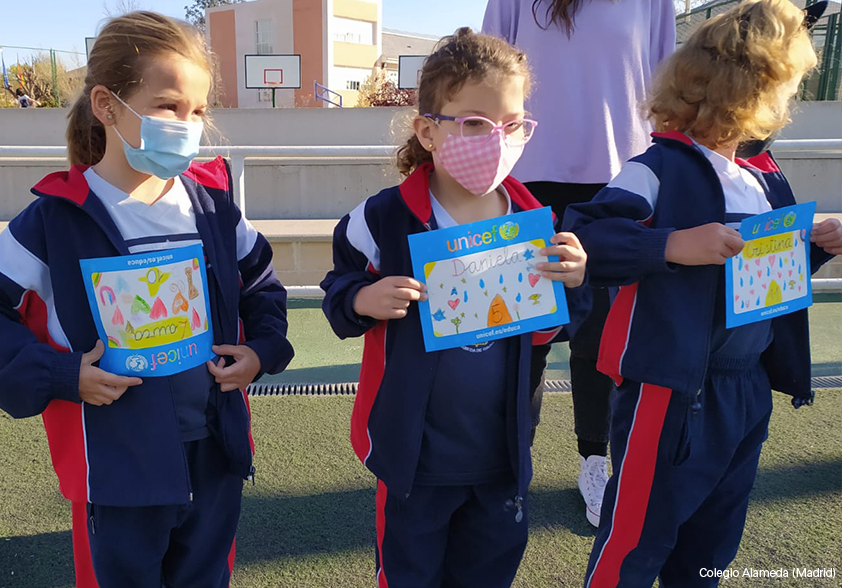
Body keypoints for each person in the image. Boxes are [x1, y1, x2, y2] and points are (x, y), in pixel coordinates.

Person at [0, 12, 293, 588]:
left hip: (213, 456)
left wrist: (262, 350)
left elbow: (262, 285)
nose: (186, 125)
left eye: (196, 111)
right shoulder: (55, 219)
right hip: (115, 470)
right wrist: (62, 374)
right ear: (107, 106)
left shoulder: (214, 209)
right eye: (167, 106)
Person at [563, 1, 841, 586]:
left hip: (746, 390)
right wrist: (670, 245)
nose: (785, 104)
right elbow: (587, 236)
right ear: (751, 89)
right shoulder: (657, 167)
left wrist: (814, 248)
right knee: (635, 543)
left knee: (711, 547)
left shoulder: (764, 176)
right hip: (668, 394)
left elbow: (758, 279)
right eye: (785, 88)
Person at [321, 28, 589, 588]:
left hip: (502, 451)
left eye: (511, 123)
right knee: (409, 573)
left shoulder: (533, 219)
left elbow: (546, 333)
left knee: (488, 571)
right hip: (413, 457)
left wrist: (572, 281)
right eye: (473, 123)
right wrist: (364, 299)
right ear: (428, 130)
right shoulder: (381, 219)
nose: (495, 138)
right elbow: (337, 295)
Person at [482, 0, 676, 528]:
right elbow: (488, 69)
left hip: (620, 186)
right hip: (526, 180)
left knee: (599, 342)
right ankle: (506, 469)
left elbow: (665, 83)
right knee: (522, 335)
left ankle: (595, 461)